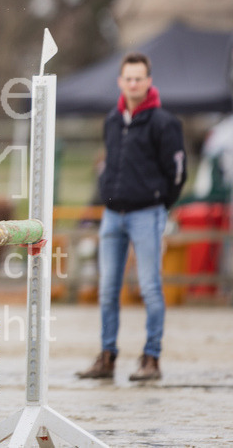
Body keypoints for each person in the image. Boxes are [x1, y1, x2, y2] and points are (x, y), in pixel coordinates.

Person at [77, 52, 186, 382]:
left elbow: (177, 173)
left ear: (149, 82)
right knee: (108, 288)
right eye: (129, 78)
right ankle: (107, 355)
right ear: (120, 82)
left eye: (140, 78)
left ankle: (151, 358)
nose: (134, 83)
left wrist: (159, 202)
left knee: (150, 287)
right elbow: (110, 162)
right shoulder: (112, 121)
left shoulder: (165, 123)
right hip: (113, 214)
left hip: (147, 214)